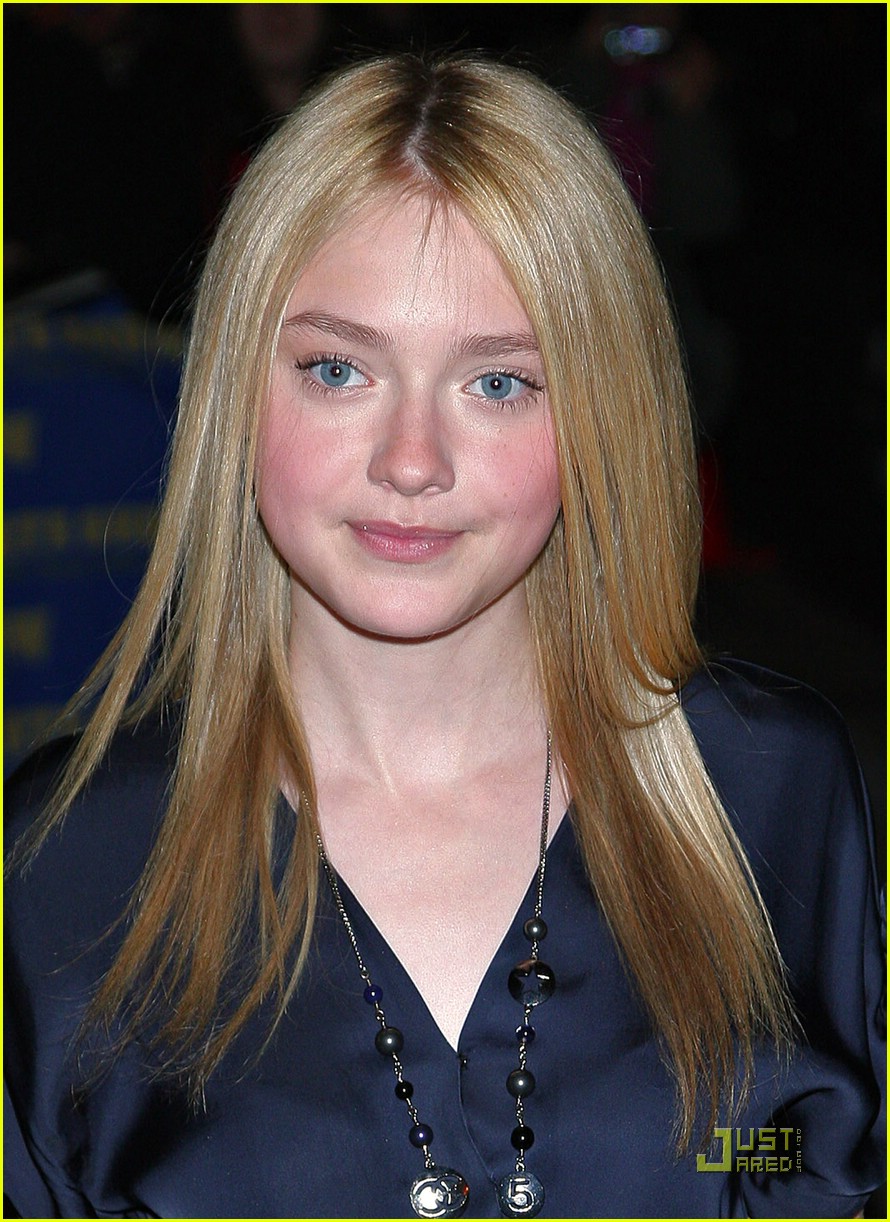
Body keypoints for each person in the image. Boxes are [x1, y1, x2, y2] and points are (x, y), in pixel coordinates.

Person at [5, 53, 884, 1219]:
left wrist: (711, 1161)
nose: (410, 461)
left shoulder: (770, 790)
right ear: (235, 391)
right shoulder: (60, 863)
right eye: (337, 369)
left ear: (599, 408)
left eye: (498, 384)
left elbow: (798, 1156)